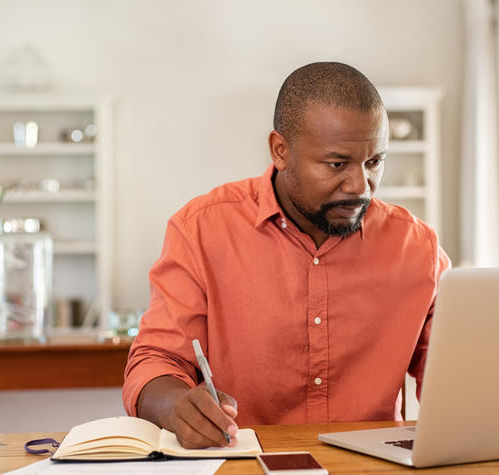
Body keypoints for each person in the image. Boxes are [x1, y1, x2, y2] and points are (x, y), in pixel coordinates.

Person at [123, 62, 451, 449]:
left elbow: (456, 380)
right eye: (337, 164)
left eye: (374, 162)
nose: (360, 186)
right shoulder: (201, 230)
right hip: (242, 465)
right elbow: (155, 362)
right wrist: (176, 405)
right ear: (280, 150)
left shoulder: (418, 249)